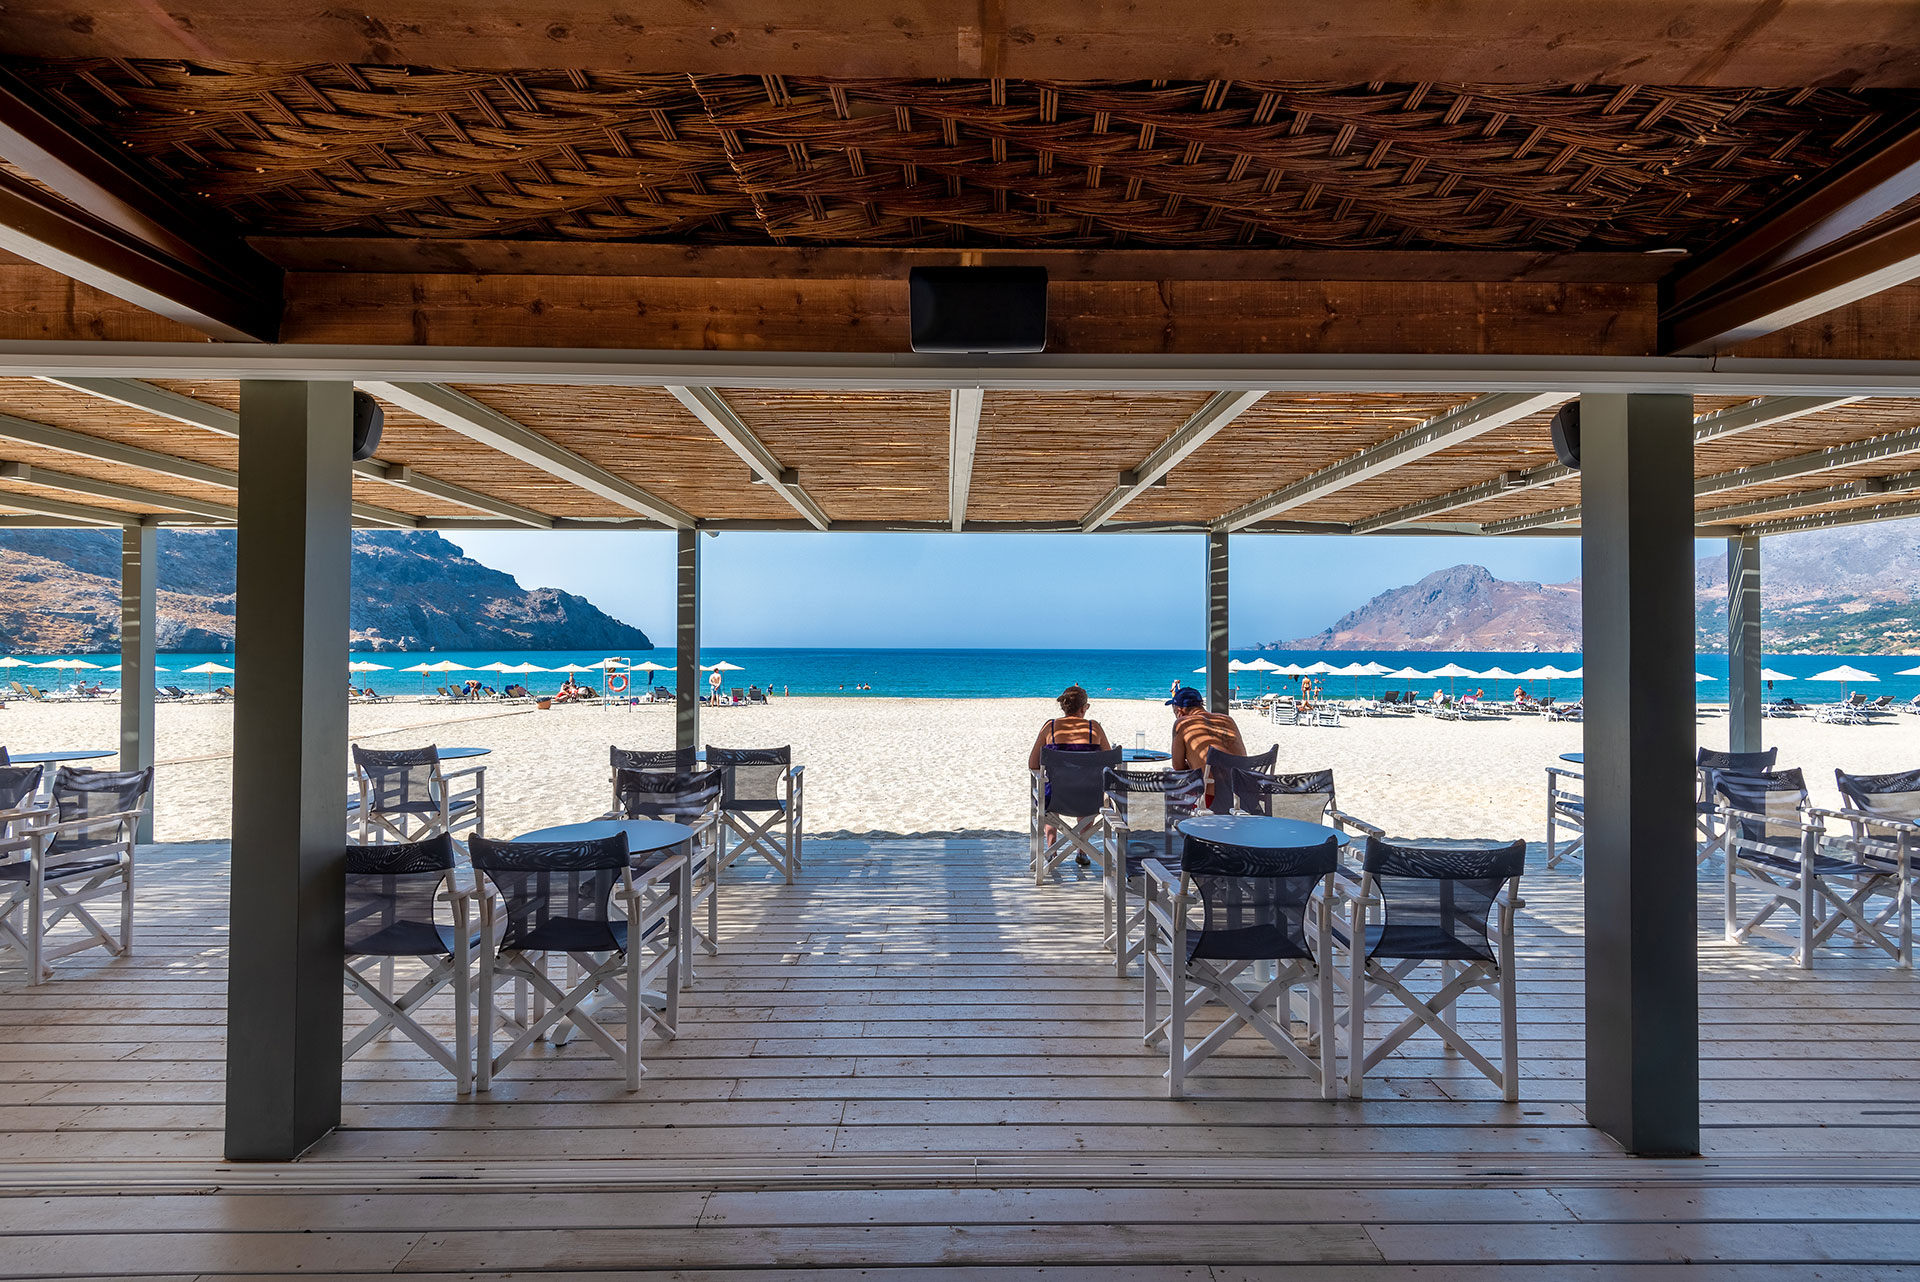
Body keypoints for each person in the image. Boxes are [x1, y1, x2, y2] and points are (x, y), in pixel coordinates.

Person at [1028, 685, 1112, 865]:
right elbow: (1109, 761)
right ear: (1084, 708)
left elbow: (1033, 764)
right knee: (1085, 787)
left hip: (1056, 799)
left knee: (1050, 789)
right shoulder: (1094, 727)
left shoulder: (1050, 727)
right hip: (1091, 800)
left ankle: (1052, 848)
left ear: (1064, 707)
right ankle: (1082, 850)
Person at [1167, 686, 1248, 809]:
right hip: (1243, 797)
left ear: (1179, 711)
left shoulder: (1182, 723)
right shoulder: (1227, 719)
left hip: (1210, 801)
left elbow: (1178, 767)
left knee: (1172, 785)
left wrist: (1196, 765)